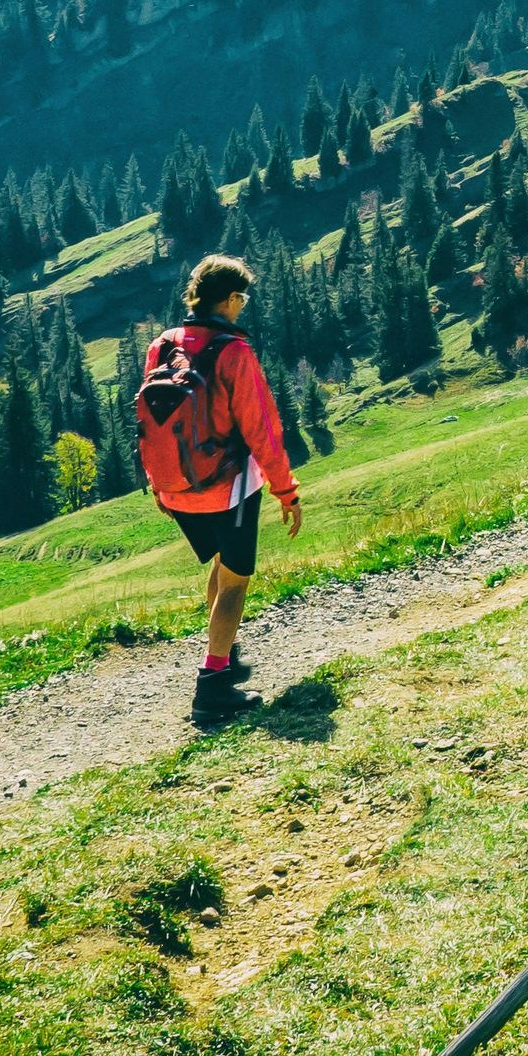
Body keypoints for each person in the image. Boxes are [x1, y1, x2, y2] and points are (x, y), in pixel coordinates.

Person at [136, 253, 303, 724]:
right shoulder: (234, 352)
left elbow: (152, 422)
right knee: (235, 582)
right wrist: (286, 489)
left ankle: (224, 658)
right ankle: (212, 688)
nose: (242, 307)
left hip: (174, 488)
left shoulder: (162, 345)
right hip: (226, 487)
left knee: (221, 566)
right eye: (241, 299)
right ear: (229, 299)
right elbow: (262, 429)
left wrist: (157, 483)